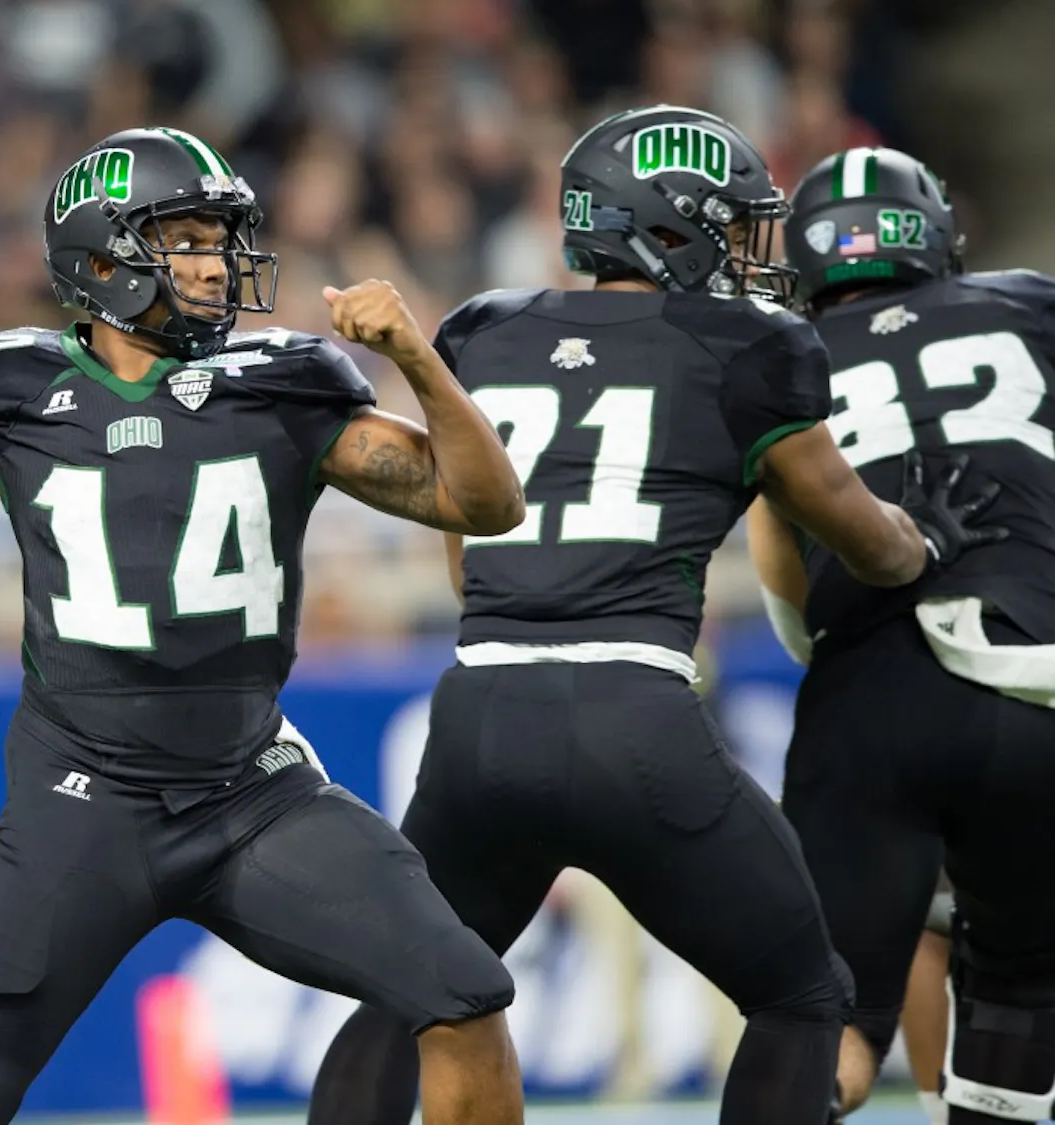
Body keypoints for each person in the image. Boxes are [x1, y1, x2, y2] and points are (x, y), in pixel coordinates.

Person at [0, 127, 529, 1125]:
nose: (217, 262)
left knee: (466, 999)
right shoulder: (19, 392)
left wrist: (416, 359)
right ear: (106, 261)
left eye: (221, 236)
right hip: (86, 799)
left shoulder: (285, 384)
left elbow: (485, 504)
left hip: (254, 793)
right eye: (189, 238)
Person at [306, 106, 1000, 1125]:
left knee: (407, 997)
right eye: (729, 223)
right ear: (672, 230)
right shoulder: (754, 347)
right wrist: (929, 535)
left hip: (481, 714)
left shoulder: (488, 329)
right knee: (804, 997)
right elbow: (867, 540)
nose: (746, 249)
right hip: (635, 718)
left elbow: (469, 558)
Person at [750, 145, 1055, 1125]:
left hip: (873, 688)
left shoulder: (772, 358)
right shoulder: (1028, 307)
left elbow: (790, 598)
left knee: (826, 1021)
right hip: (1033, 676)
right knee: (1015, 991)